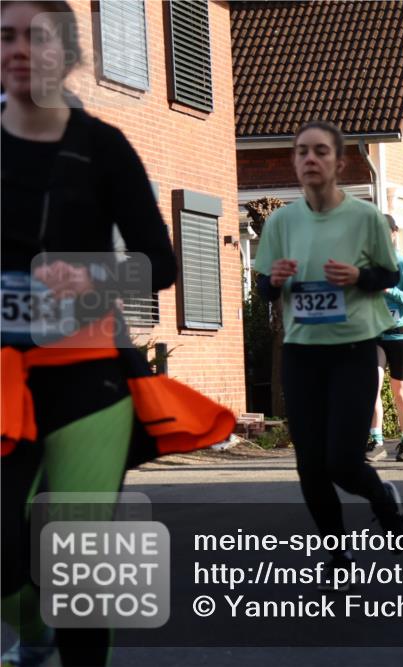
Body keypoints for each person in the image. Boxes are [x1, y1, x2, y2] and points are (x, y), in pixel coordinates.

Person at [1, 2, 202, 665]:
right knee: (7, 550)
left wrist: (92, 286)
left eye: (39, 37)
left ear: (69, 54)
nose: (21, 49)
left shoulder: (104, 146)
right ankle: (33, 633)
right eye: (6, 36)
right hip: (6, 378)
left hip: (89, 376)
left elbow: (162, 266)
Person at [254, 120, 403, 588]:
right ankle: (337, 556)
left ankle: (384, 500)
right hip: (302, 354)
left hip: (354, 350)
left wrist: (357, 277)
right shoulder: (281, 221)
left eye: (320, 151)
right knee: (309, 465)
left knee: (342, 461)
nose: (310, 159)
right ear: (295, 162)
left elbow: (388, 276)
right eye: (302, 151)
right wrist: (275, 281)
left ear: (338, 163)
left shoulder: (364, 218)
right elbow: (263, 286)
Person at [367, 215, 403, 463]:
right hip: (375, 336)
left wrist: (391, 292)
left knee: (401, 393)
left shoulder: (402, 265)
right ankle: (377, 441)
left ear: (394, 233)